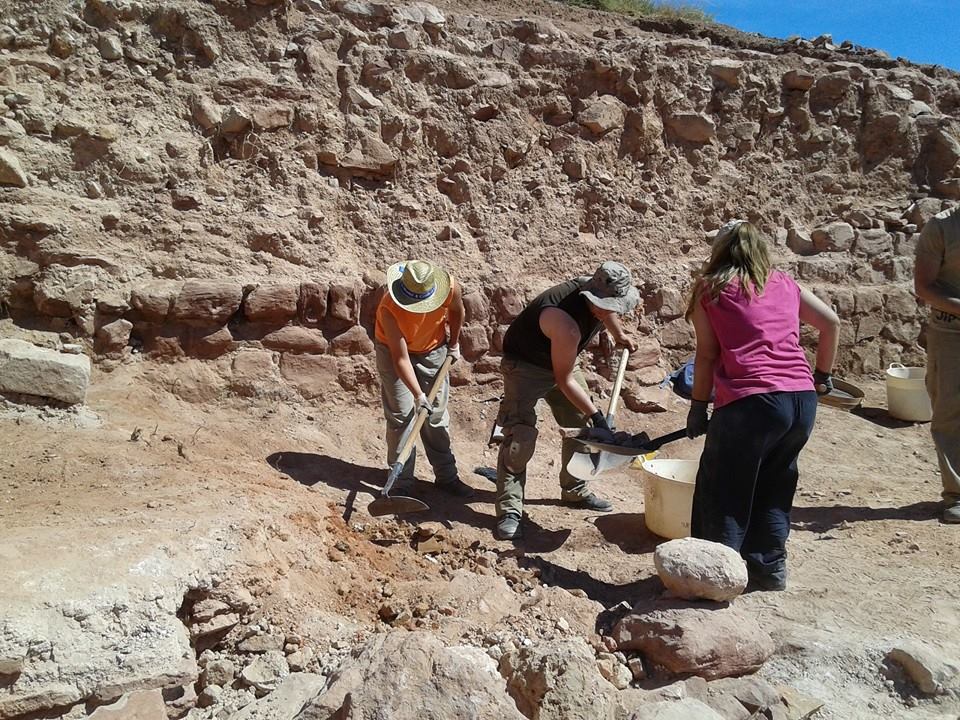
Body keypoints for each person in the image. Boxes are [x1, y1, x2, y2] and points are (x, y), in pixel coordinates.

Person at [684, 220, 840, 591]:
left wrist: (697, 407)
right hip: (801, 401)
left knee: (723, 490)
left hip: (751, 401)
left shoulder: (711, 288)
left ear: (719, 252)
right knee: (775, 486)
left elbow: (706, 356)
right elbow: (831, 323)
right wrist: (823, 376)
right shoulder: (783, 282)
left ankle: (714, 580)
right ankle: (768, 571)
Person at [494, 261, 640, 540]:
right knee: (519, 436)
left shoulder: (596, 290)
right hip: (525, 366)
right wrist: (599, 417)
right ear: (591, 298)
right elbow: (565, 380)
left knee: (581, 426)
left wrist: (619, 335)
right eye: (606, 305)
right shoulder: (565, 323)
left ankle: (575, 489)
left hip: (562, 360)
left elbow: (606, 311)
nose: (611, 311)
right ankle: (510, 509)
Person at [374, 260, 474, 498]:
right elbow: (400, 358)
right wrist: (418, 395)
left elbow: (457, 311)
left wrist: (454, 343)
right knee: (402, 416)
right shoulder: (389, 307)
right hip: (392, 351)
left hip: (433, 348)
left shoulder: (449, 287)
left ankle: (447, 477)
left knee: (436, 416)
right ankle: (400, 483)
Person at [914, 205, 960, 524]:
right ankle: (956, 493)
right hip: (951, 331)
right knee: (950, 411)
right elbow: (924, 286)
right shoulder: (942, 227)